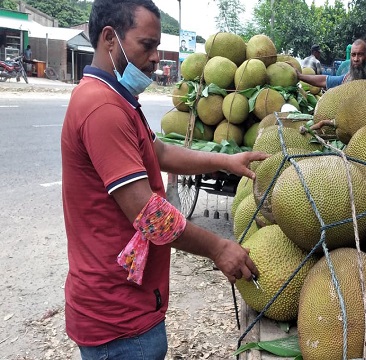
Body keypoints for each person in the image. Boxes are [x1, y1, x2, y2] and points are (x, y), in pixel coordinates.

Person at [60, 1, 268, 358]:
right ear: (110, 39)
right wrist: (218, 248)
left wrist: (226, 161)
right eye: (147, 45)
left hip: (128, 303)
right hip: (118, 319)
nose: (157, 57)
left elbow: (161, 154)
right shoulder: (103, 109)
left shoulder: (117, 99)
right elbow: (149, 215)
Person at [297, 39, 366, 89]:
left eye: (360, 55)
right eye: (353, 55)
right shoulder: (347, 78)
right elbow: (324, 80)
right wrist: (300, 76)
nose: (356, 59)